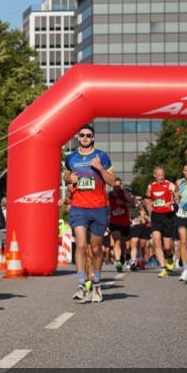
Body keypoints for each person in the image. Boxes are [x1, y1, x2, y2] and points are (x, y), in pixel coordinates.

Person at [64, 124, 119, 303]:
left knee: (96, 249)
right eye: (82, 135)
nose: (85, 138)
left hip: (99, 208)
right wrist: (68, 179)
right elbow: (66, 176)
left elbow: (113, 182)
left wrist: (100, 168)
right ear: (78, 137)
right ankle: (81, 284)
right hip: (78, 207)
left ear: (93, 138)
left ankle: (96, 283)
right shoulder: (71, 157)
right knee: (80, 245)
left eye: (88, 135)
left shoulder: (101, 156)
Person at [146, 165, 179, 278]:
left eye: (162, 175)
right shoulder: (151, 186)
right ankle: (163, 268)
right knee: (156, 241)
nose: (160, 177)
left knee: (168, 246)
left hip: (168, 216)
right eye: (158, 175)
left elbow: (178, 196)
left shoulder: (170, 185)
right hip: (156, 216)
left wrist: (173, 202)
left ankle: (169, 257)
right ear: (154, 175)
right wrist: (148, 205)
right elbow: (147, 198)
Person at [107, 180, 132, 272]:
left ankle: (121, 256)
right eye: (115, 185)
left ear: (121, 185)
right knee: (116, 241)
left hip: (125, 222)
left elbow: (133, 204)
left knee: (123, 243)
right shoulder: (109, 195)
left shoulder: (125, 194)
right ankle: (117, 261)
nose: (116, 187)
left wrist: (124, 203)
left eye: (118, 185)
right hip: (114, 221)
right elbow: (106, 205)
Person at [128, 202, 151, 270]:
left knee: (142, 246)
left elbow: (148, 218)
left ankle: (141, 260)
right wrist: (133, 220)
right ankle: (133, 261)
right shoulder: (130, 207)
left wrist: (143, 217)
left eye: (140, 200)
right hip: (134, 227)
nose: (139, 202)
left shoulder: (144, 207)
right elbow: (129, 217)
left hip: (143, 227)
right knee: (134, 242)